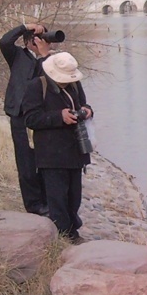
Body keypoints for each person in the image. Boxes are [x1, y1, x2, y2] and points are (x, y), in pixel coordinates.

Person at [21, 52, 92, 242]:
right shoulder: (37, 86)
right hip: (51, 153)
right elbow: (30, 119)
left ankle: (72, 228)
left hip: (76, 149)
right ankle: (65, 234)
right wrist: (59, 117)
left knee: (74, 195)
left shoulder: (75, 84)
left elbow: (83, 104)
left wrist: (87, 110)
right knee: (57, 197)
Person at [0, 23, 53, 214]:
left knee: (44, 161)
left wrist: (44, 54)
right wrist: (26, 27)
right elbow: (4, 40)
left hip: (42, 118)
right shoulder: (17, 56)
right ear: (27, 40)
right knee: (25, 162)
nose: (41, 41)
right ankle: (33, 205)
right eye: (38, 38)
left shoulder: (51, 61)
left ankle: (48, 201)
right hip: (20, 117)